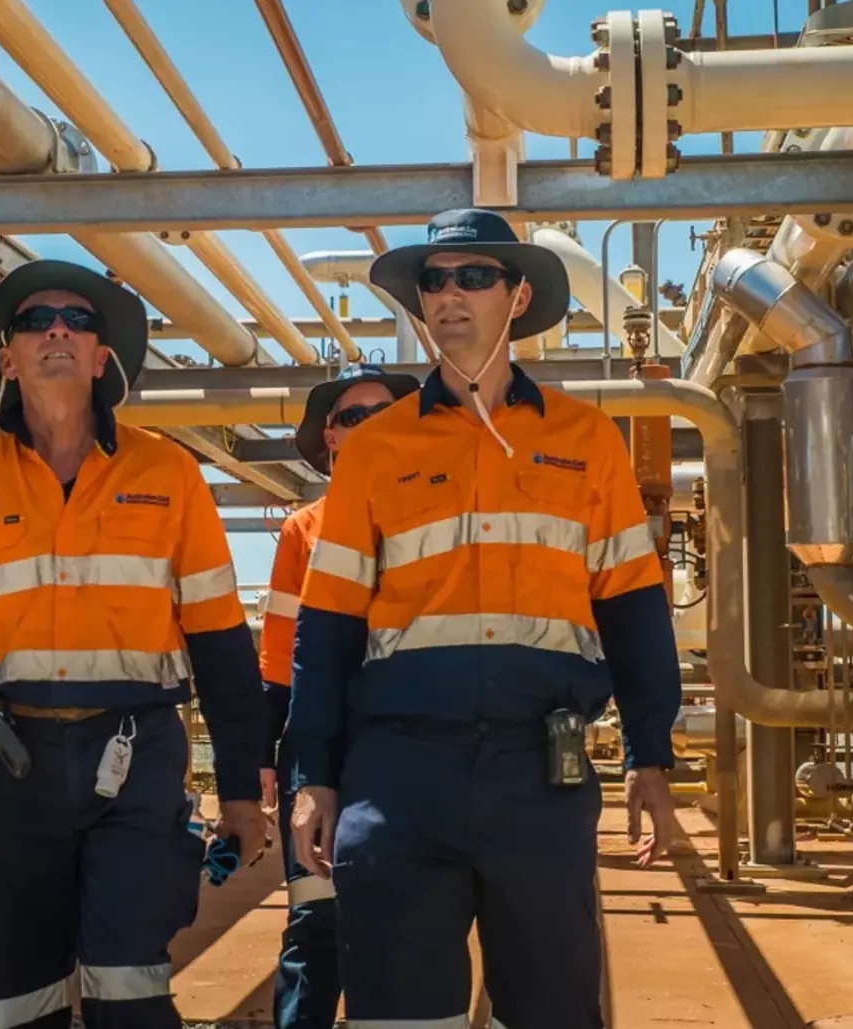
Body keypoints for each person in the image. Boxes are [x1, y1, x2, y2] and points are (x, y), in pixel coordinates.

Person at [287, 208, 683, 1029]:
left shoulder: (588, 440)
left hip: (540, 772)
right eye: (434, 280)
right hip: (399, 775)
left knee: (549, 1011)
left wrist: (652, 752)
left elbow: (634, 610)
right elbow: (325, 632)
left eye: (474, 276)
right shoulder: (373, 449)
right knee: (397, 1016)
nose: (450, 295)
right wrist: (312, 776)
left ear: (519, 294)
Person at [0, 259, 269, 1029]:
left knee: (132, 985)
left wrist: (243, 789)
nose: (57, 327)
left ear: (101, 357)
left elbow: (224, 645)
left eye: (78, 320)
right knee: (20, 1000)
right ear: (7, 356)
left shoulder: (170, 474)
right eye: (35, 319)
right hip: (5, 765)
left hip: (137, 762)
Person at [259, 365, 419, 1029]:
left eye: (388, 412)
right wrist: (262, 757)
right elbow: (278, 653)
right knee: (317, 917)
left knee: (408, 923)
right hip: (320, 742)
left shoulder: (435, 513)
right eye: (356, 416)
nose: (373, 424)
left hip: (413, 740)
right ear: (330, 437)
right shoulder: (306, 529)